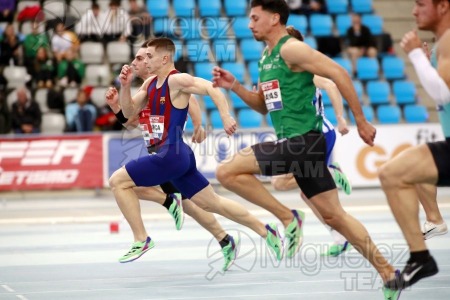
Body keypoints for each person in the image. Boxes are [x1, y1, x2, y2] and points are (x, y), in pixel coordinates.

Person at [212, 1, 399, 299]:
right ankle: (389, 273)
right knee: (335, 217)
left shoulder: (290, 49)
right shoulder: (266, 57)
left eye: (255, 17)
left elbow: (339, 73)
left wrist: (360, 120)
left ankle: (289, 218)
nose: (249, 24)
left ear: (275, 18)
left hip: (302, 142)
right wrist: (234, 85)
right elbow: (263, 105)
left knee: (227, 171)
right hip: (300, 147)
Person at [108, 37, 284, 268]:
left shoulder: (177, 80)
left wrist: (224, 115)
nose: (145, 60)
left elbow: (210, 88)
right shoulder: (150, 84)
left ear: (164, 58)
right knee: (212, 203)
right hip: (175, 156)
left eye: (149, 56)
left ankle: (141, 238)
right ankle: (266, 231)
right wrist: (124, 85)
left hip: (170, 154)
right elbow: (129, 110)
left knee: (118, 181)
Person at [379, 0, 450, 291]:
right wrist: (426, 61)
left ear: (443, 6)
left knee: (393, 173)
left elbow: (443, 95)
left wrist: (417, 59)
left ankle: (421, 255)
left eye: (420, 4)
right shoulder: (441, 44)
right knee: (394, 173)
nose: (413, 11)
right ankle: (420, 257)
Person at [270, 26, 352, 257]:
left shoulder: (303, 69)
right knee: (295, 189)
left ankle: (339, 233)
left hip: (318, 133)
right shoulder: (281, 71)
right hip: (304, 135)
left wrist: (341, 117)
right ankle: (339, 236)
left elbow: (332, 85)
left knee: (305, 190)